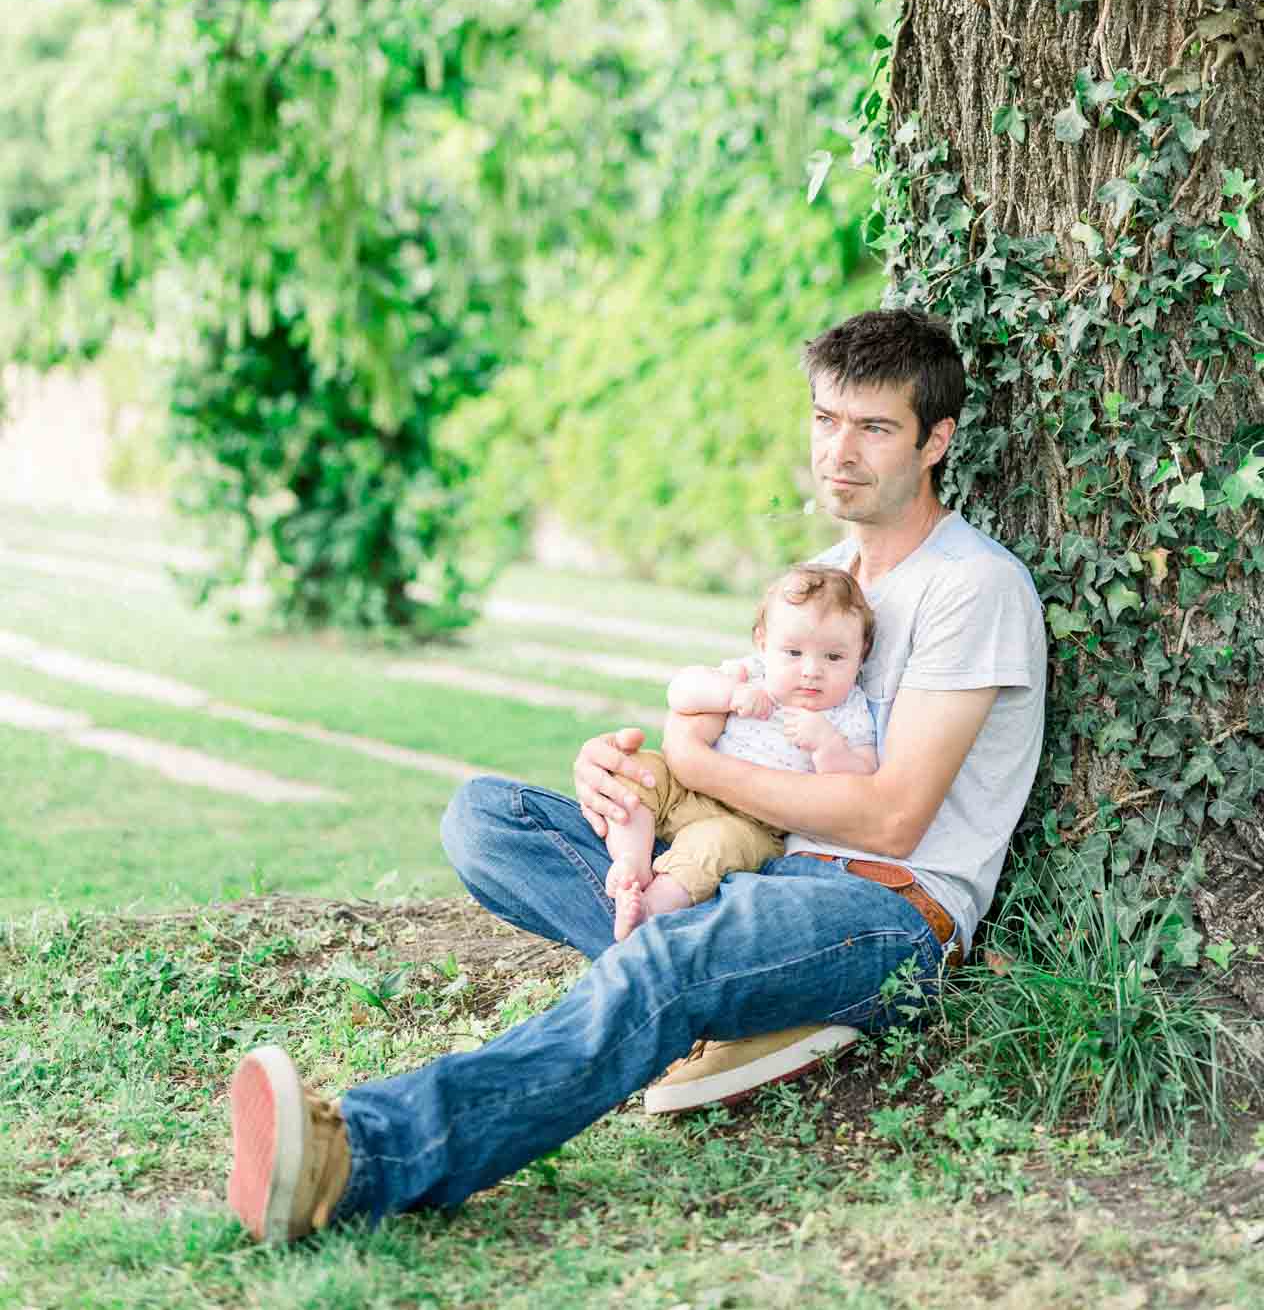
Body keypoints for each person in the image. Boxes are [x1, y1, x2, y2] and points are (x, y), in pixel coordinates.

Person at [226, 308, 1046, 1244]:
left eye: (875, 428)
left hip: (885, 912)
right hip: (758, 862)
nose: (840, 451)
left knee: (667, 957)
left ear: (937, 440)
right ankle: (731, 1011)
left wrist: (695, 765)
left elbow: (896, 819)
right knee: (489, 816)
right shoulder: (820, 578)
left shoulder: (973, 586)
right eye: (825, 419)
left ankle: (361, 1157)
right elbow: (743, 743)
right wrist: (629, 778)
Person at [605, 561, 877, 942]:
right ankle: (630, 862)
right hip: (689, 790)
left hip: (752, 822)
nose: (811, 670)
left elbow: (862, 779)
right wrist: (730, 694)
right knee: (637, 770)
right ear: (763, 643)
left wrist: (828, 746)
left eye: (834, 657)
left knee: (714, 847)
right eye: (793, 652)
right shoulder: (752, 674)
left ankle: (650, 909)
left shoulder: (848, 710)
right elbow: (680, 691)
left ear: (861, 654)